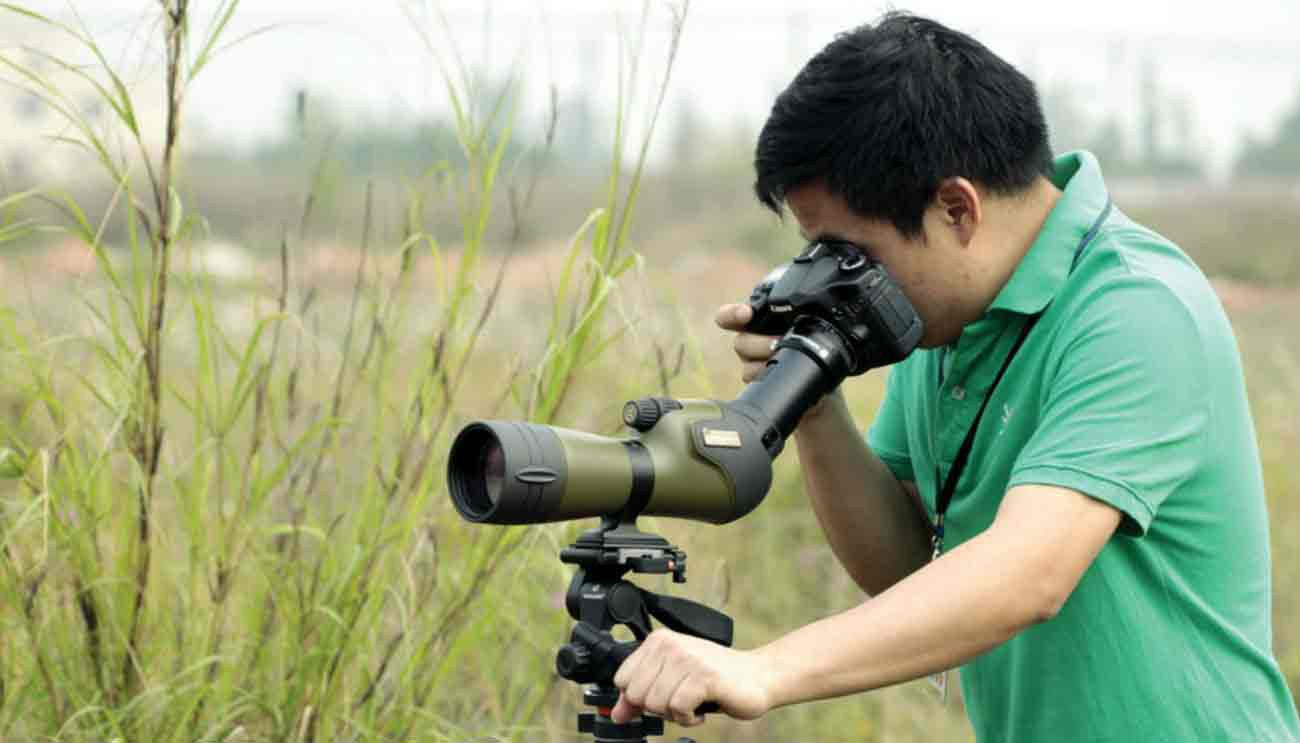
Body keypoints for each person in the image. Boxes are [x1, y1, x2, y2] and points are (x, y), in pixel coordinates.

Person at [609, 11, 1300, 742]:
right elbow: (906, 562)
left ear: (955, 208)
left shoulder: (1138, 311)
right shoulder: (948, 319)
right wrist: (815, 404)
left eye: (846, 252)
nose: (830, 278)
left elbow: (1028, 572)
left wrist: (767, 668)